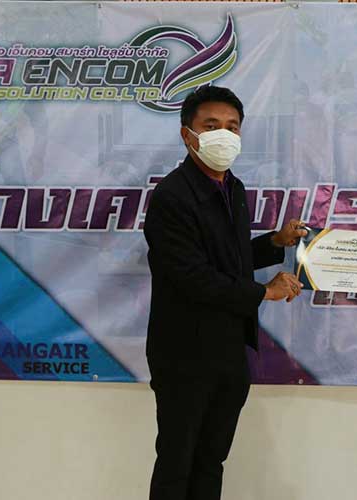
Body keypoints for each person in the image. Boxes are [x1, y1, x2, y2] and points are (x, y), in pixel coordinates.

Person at [143, 85, 306, 500]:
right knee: (177, 462)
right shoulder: (171, 197)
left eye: (232, 127)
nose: (224, 135)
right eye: (211, 125)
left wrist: (276, 242)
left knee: (211, 460)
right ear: (188, 134)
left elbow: (229, 258)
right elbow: (192, 276)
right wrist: (263, 293)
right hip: (184, 353)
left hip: (230, 348)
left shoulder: (233, 187)